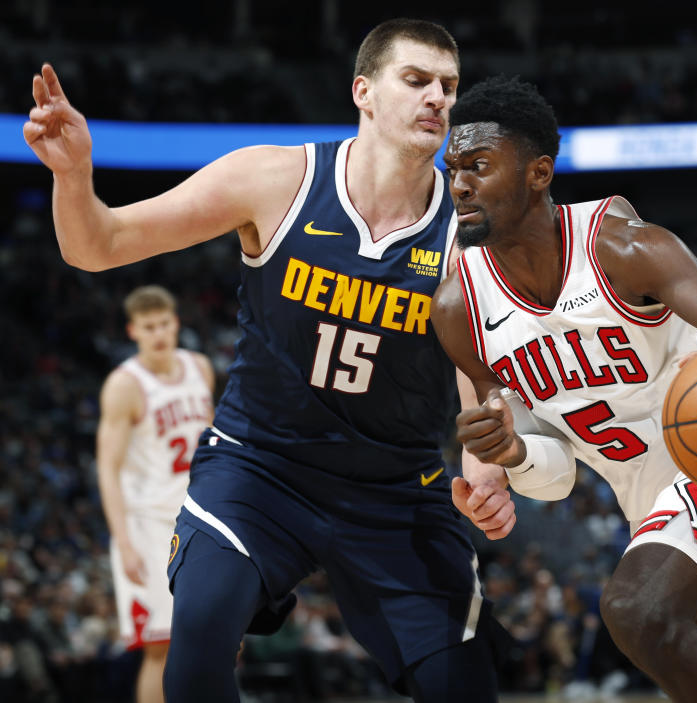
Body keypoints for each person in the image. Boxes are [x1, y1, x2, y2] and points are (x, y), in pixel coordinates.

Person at [24, 18, 503, 703]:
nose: (438, 99)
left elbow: (478, 367)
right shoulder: (276, 178)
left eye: (449, 87)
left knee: (463, 686)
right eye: (417, 80)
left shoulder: (469, 228)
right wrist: (74, 177)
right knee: (194, 649)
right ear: (363, 91)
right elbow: (99, 244)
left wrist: (485, 468)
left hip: (395, 485)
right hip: (261, 468)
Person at [431, 75, 697, 703]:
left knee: (634, 611)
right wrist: (513, 451)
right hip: (656, 510)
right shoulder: (457, 309)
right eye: (452, 168)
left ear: (538, 174)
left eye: (479, 166)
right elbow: (556, 476)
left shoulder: (622, 248)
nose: (459, 183)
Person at [96, 285, 214, 703]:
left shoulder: (200, 367)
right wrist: (123, 542)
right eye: (149, 327)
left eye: (164, 323)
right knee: (161, 646)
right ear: (133, 331)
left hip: (199, 516)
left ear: (176, 322)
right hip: (148, 526)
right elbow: (107, 468)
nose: (159, 333)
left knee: (218, 640)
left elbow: (213, 446)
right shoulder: (124, 385)